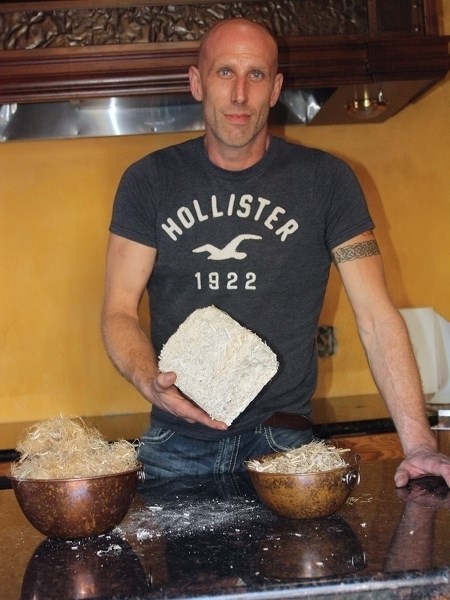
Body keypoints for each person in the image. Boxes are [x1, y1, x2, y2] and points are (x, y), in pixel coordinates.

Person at [101, 18, 450, 486]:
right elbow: (118, 311)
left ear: (275, 88)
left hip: (285, 447)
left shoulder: (326, 182)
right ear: (197, 82)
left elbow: (376, 316)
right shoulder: (149, 182)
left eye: (257, 75)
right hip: (177, 445)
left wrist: (420, 444)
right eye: (225, 73)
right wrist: (149, 382)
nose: (240, 94)